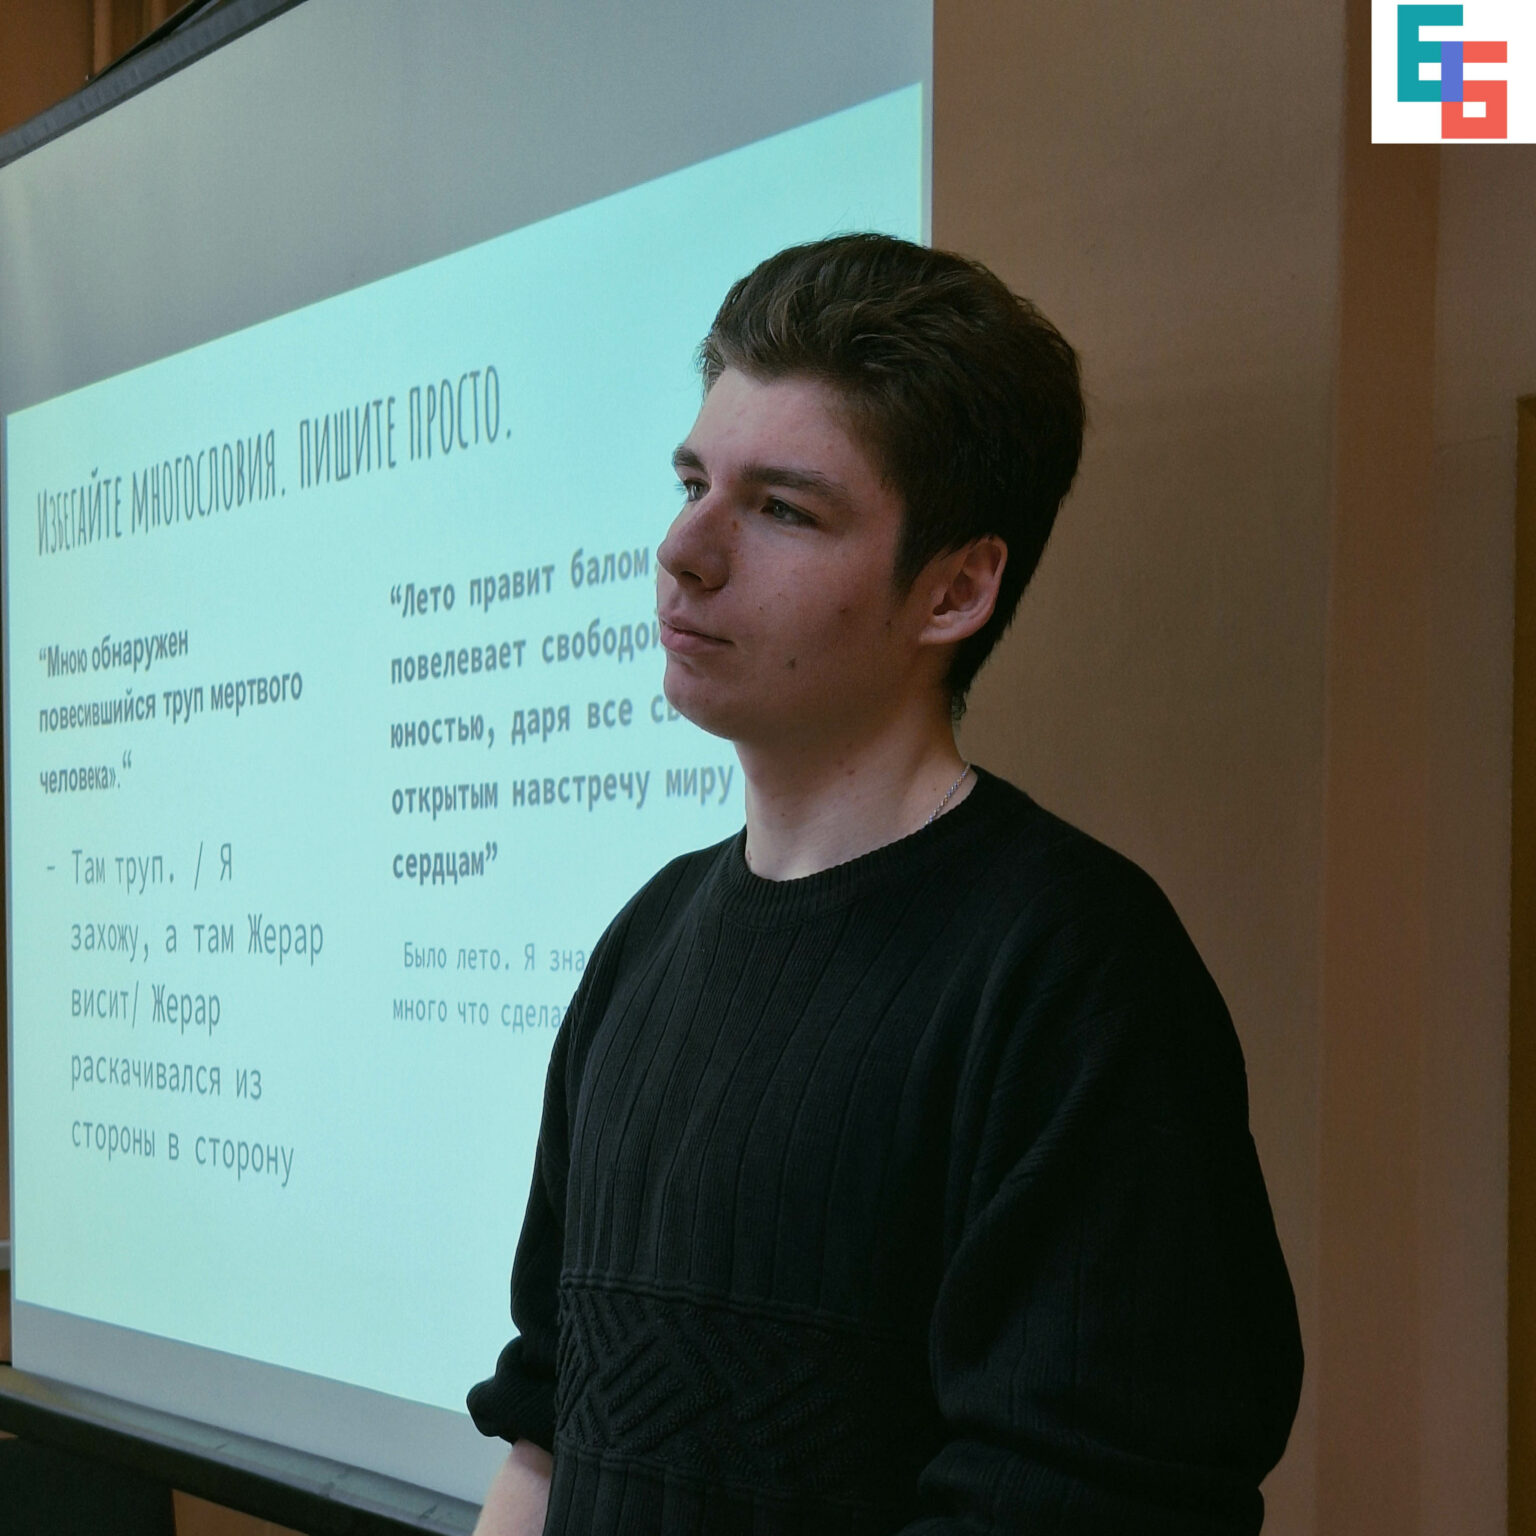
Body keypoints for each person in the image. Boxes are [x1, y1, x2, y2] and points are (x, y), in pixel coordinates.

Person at [467, 233, 1303, 1535]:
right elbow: (547, 1439)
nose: (685, 550)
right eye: (693, 483)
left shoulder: (1077, 972)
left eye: (782, 510)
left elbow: (1084, 1505)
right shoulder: (647, 941)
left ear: (955, 589)